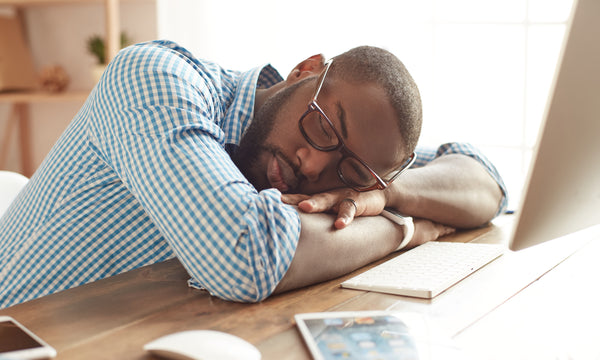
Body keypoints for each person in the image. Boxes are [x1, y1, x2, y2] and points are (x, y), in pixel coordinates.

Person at [0, 41, 507, 309]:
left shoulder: (363, 166)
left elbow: (486, 183)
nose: (313, 164)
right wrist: (404, 228)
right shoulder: (155, 78)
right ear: (305, 70)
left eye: (347, 171)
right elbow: (243, 256)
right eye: (322, 126)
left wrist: (385, 190)